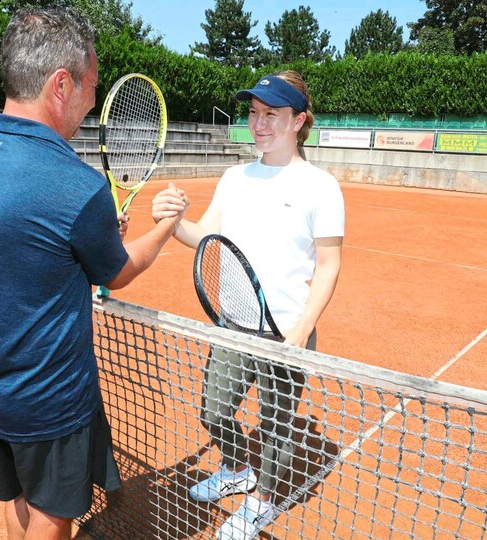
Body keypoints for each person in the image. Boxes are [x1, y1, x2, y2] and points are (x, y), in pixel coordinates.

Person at [0, 8, 186, 540]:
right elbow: (116, 274)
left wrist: (87, 231)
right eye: (91, 87)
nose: (93, 102)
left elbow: (10, 242)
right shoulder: (74, 185)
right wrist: (163, 227)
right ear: (60, 84)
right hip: (47, 402)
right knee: (51, 515)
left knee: (16, 499)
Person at [152, 70, 344, 540]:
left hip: (287, 329)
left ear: (298, 120)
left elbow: (329, 265)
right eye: (254, 113)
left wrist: (301, 330)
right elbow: (208, 236)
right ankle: (236, 468)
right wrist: (176, 224)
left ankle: (261, 502)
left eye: (271, 115)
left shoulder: (321, 187)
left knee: (276, 427)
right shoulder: (235, 176)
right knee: (214, 412)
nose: (258, 124)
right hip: (234, 322)